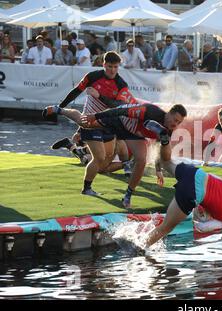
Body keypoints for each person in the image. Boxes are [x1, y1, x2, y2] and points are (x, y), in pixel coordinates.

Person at [44, 103, 187, 209]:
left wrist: (158, 170)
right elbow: (120, 110)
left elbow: (157, 148)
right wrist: (96, 116)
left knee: (142, 160)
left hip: (132, 134)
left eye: (178, 122)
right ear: (168, 113)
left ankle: (128, 196)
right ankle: (60, 110)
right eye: (174, 119)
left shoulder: (167, 131)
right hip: (119, 120)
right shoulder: (148, 111)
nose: (175, 124)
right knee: (84, 122)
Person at [42, 51, 135, 196]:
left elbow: (117, 105)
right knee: (98, 156)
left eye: (116, 67)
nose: (112, 70)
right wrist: (62, 104)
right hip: (90, 121)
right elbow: (75, 92)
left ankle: (74, 148)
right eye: (109, 66)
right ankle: (87, 188)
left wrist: (99, 96)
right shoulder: (92, 77)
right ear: (103, 64)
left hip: (107, 124)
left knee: (104, 163)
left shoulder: (121, 84)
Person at [144, 156, 222, 248]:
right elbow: (201, 228)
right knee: (165, 228)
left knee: (166, 162)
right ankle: (141, 246)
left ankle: (158, 157)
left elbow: (216, 178)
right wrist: (196, 217)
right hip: (194, 194)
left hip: (195, 173)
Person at [51, 132, 132, 176]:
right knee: (93, 164)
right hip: (104, 142)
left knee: (93, 163)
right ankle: (74, 148)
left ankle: (71, 146)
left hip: (110, 145)